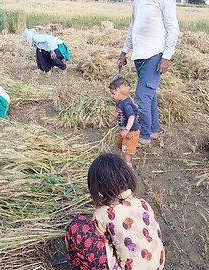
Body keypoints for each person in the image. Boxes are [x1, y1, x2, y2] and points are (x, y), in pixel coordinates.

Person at [66, 153, 165, 269]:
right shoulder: (143, 203)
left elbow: (99, 239)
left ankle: (77, 265)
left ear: (99, 185)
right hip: (157, 266)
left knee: (76, 226)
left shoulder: (104, 213)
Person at [117, 0, 179, 147]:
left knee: (142, 94)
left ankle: (144, 136)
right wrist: (124, 52)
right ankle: (153, 130)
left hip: (155, 54)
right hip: (139, 55)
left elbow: (173, 27)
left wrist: (166, 56)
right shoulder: (138, 1)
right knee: (149, 95)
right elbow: (133, 27)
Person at [109, 75, 141, 170]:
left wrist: (127, 129)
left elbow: (131, 117)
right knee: (121, 145)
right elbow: (120, 113)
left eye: (114, 94)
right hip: (125, 130)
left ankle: (128, 165)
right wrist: (115, 118)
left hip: (131, 132)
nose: (112, 96)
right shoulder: (120, 101)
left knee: (127, 149)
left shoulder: (127, 105)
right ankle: (123, 160)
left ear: (122, 93)